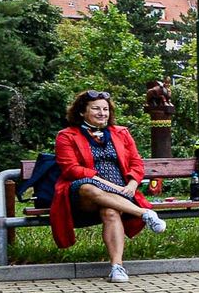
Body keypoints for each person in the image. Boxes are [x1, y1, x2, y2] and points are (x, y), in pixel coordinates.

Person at [50, 90, 166, 281]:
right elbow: (71, 169)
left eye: (105, 109)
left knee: (110, 212)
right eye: (96, 108)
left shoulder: (121, 133)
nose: (102, 113)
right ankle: (144, 214)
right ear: (81, 112)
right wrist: (102, 182)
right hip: (81, 195)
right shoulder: (66, 136)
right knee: (89, 187)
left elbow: (136, 163)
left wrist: (132, 183)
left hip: (121, 191)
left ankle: (117, 267)